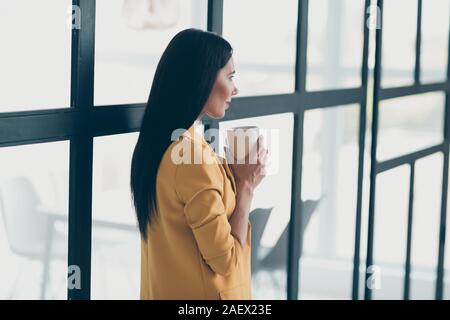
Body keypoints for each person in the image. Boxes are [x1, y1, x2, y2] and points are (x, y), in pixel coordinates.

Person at [130, 28, 268, 300]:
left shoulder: (162, 145)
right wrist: (246, 188)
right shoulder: (192, 159)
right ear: (202, 78)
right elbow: (226, 261)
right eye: (230, 77)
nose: (235, 89)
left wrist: (229, 174)